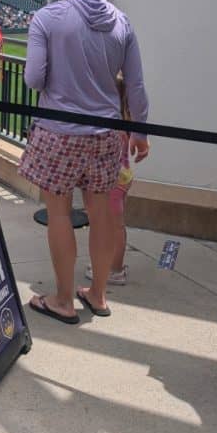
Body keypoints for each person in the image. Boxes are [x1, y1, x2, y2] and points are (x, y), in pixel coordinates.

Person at [18, 0, 149, 324]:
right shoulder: (122, 21)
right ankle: (99, 293)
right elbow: (136, 84)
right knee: (103, 212)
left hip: (58, 131)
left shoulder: (47, 17)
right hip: (108, 133)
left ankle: (63, 298)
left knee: (59, 213)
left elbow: (33, 79)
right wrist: (140, 130)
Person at [86, 74, 134, 286]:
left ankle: (115, 269)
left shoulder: (112, 125)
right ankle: (112, 266)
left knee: (113, 226)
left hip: (113, 179)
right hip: (123, 177)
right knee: (115, 225)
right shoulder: (126, 120)